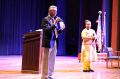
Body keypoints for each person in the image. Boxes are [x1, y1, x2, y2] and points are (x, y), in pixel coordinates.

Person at [41, 5, 65, 79]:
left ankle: (49, 75)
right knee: (46, 60)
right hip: (48, 42)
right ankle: (44, 76)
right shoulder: (46, 19)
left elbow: (55, 31)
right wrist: (54, 23)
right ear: (49, 11)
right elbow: (47, 30)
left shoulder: (53, 20)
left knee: (52, 60)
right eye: (53, 10)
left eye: (56, 11)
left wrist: (61, 29)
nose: (55, 12)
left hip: (54, 41)